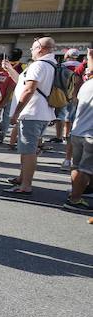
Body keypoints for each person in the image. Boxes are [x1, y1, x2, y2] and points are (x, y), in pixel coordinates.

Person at [5, 37, 57, 195]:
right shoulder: (50, 65)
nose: (31, 51)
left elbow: (29, 90)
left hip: (31, 113)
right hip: (41, 113)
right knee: (28, 149)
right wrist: (9, 69)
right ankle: (22, 178)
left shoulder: (38, 65)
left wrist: (16, 112)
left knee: (28, 151)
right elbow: (22, 82)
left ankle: (25, 185)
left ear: (41, 49)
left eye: (33, 48)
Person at [64, 48, 93, 212]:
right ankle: (75, 199)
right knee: (85, 168)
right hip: (90, 134)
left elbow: (76, 100)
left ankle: (77, 193)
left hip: (78, 131)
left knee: (77, 166)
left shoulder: (87, 85)